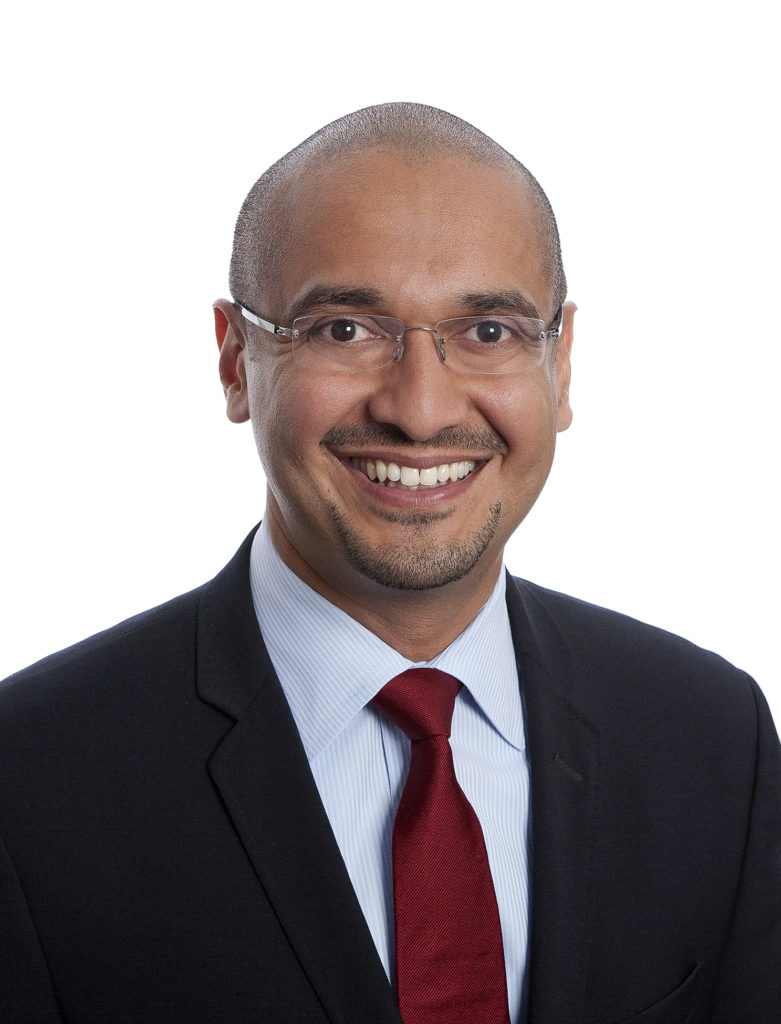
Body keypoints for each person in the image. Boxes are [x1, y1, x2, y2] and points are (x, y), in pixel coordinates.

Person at [0, 102, 778, 1024]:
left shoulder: (712, 739)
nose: (419, 410)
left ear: (560, 365)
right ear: (235, 362)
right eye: (344, 329)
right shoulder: (31, 781)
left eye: (488, 332)